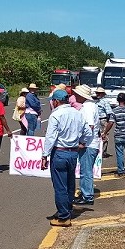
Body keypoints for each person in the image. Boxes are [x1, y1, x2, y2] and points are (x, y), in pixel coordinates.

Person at [41, 89, 92, 227]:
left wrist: (45, 155)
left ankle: (63, 216)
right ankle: (67, 209)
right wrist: (82, 142)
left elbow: (50, 137)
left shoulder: (56, 115)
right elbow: (88, 132)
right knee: (70, 183)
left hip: (60, 152)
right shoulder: (77, 114)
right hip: (73, 152)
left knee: (60, 186)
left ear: (56, 101)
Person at [72, 85, 99, 205]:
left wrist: (82, 142)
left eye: (77, 94)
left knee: (86, 171)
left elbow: (90, 127)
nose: (75, 96)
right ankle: (85, 193)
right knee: (85, 170)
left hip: (89, 144)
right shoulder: (89, 105)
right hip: (91, 143)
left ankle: (87, 196)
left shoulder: (87, 107)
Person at [102, 93, 125, 178]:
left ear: (117, 100)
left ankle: (121, 172)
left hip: (118, 135)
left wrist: (105, 132)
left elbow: (111, 123)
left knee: (119, 153)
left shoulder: (115, 111)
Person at [95, 87, 113, 158]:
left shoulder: (105, 101)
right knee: (98, 136)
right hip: (98, 120)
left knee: (103, 135)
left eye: (99, 93)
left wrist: (107, 122)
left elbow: (109, 112)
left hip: (103, 119)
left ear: (102, 94)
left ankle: (103, 152)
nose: (97, 94)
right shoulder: (97, 101)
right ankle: (100, 151)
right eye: (97, 93)